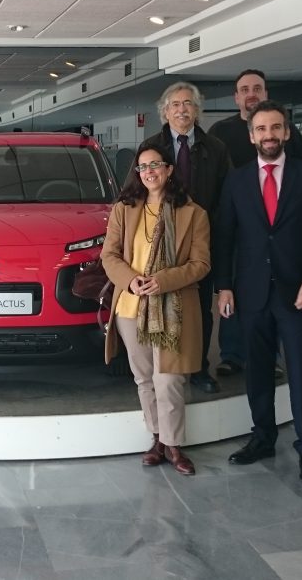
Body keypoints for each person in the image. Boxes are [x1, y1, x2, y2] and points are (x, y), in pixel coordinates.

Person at [216, 100, 302, 484]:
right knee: (258, 374)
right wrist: (224, 287)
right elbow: (224, 239)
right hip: (250, 295)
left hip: (297, 293)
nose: (269, 135)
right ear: (252, 136)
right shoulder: (236, 181)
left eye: (276, 128)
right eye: (261, 129)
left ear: (287, 132)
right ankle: (263, 437)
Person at [102, 139, 211, 476]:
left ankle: (174, 444)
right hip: (131, 307)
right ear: (138, 173)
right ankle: (157, 439)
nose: (149, 172)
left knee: (170, 379)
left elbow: (201, 264)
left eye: (155, 165)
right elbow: (110, 256)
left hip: (174, 306)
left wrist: (163, 281)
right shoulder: (124, 208)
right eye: (143, 167)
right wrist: (131, 280)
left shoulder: (194, 213)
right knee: (145, 378)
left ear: (169, 170)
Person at [208, 69, 302, 378]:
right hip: (237, 226)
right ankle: (232, 354)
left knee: (274, 291)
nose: (251, 93)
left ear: (265, 93)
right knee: (234, 291)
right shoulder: (219, 132)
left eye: (257, 88)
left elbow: (301, 181)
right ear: (236, 97)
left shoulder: (288, 134)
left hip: (276, 230)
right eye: (245, 89)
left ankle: (271, 354)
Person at [143, 82, 231, 394]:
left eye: (188, 104)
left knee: (198, 311)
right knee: (159, 303)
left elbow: (226, 198)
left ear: (197, 110)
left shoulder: (216, 149)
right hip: (159, 242)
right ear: (164, 112)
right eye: (176, 104)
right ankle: (161, 366)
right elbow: (135, 192)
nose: (182, 109)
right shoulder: (151, 147)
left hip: (200, 242)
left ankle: (198, 368)